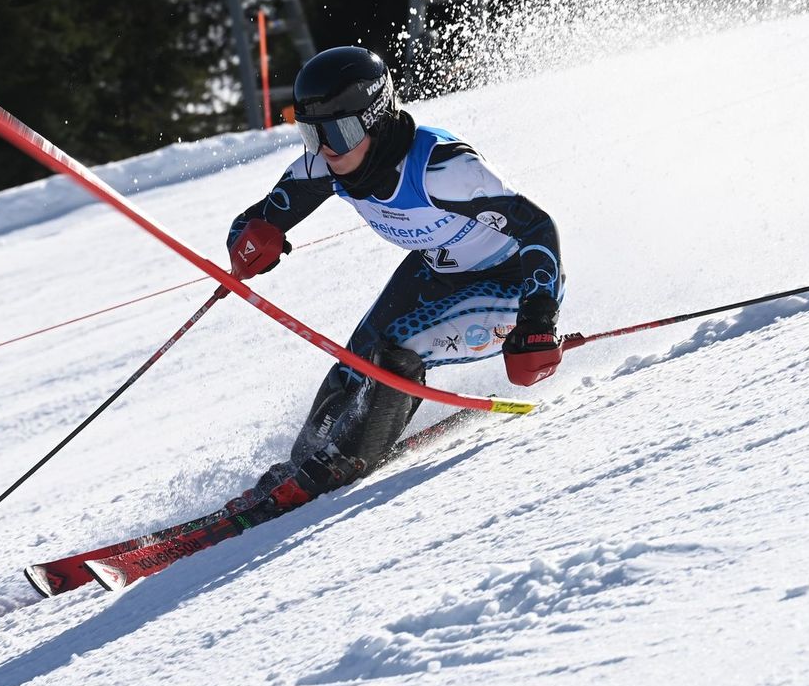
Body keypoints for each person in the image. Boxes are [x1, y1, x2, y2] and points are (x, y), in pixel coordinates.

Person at [223, 46, 565, 522]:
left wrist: (538, 321)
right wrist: (248, 243)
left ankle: (343, 462)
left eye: (338, 132)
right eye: (310, 133)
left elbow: (537, 228)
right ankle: (303, 463)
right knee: (356, 361)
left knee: (397, 353)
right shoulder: (325, 164)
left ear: (376, 119)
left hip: (512, 285)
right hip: (438, 271)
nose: (324, 148)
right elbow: (254, 221)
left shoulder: (443, 169)